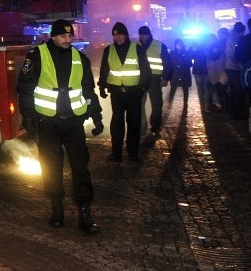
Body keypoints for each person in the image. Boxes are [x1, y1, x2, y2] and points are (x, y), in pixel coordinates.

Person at [17, 19, 101, 233]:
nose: (68, 40)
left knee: (81, 167)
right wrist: (28, 116)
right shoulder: (36, 56)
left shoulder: (79, 58)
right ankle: (57, 207)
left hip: (73, 121)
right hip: (48, 121)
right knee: (51, 166)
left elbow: (88, 89)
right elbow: (25, 87)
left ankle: (84, 211)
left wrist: (96, 115)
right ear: (53, 36)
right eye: (63, 36)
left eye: (70, 36)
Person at [98, 22, 153, 163]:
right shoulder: (108, 50)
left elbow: (146, 70)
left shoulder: (137, 49)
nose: (118, 37)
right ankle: (116, 154)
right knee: (117, 123)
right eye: (115, 35)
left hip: (134, 92)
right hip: (116, 93)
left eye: (121, 34)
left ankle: (132, 153)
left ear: (126, 35)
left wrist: (142, 88)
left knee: (134, 123)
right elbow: (104, 70)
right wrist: (102, 86)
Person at [137, 26, 172, 137]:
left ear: (148, 34)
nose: (142, 36)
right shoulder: (136, 46)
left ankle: (155, 126)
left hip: (154, 79)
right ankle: (142, 128)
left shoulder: (159, 45)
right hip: (140, 79)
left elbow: (167, 62)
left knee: (157, 105)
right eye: (140, 34)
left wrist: (166, 78)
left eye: (144, 34)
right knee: (139, 105)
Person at [224, 21, 247, 119]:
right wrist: (241, 65)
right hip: (235, 68)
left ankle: (233, 111)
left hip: (230, 67)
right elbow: (233, 54)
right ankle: (236, 112)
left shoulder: (231, 37)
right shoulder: (237, 38)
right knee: (239, 90)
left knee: (234, 90)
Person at [168, 39, 193, 104]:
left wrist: (184, 66)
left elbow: (189, 63)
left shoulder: (186, 53)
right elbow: (169, 63)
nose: (179, 46)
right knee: (173, 87)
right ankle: (170, 101)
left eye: (180, 44)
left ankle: (185, 102)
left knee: (185, 88)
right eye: (177, 44)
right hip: (175, 73)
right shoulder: (172, 53)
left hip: (184, 73)